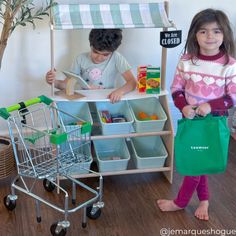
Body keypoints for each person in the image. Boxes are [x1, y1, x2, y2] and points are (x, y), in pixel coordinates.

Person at [157, 8, 236, 221]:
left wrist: (211, 105)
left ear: (225, 34)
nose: (210, 36)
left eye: (216, 31)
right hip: (190, 120)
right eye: (203, 31)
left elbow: (233, 97)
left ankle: (180, 202)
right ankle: (204, 200)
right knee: (195, 159)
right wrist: (183, 106)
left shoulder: (230, 65)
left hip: (213, 122)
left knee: (196, 162)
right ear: (195, 35)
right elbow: (176, 89)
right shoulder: (186, 60)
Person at [46, 29, 137, 103]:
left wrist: (120, 91)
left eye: (105, 55)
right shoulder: (80, 59)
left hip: (106, 101)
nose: (99, 57)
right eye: (95, 52)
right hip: (86, 102)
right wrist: (54, 82)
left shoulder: (116, 58)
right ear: (91, 46)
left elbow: (132, 82)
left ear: (112, 52)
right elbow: (66, 85)